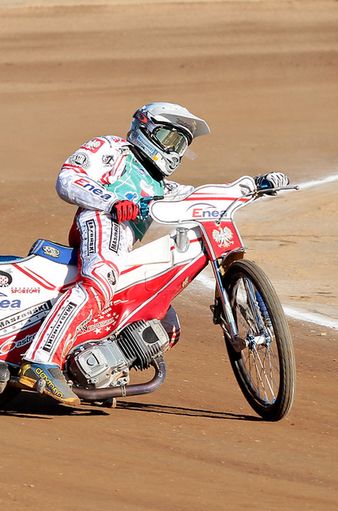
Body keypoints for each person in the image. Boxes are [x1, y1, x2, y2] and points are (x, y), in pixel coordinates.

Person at [17, 102, 290, 405]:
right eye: (169, 138)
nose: (174, 150)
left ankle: (100, 372)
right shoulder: (112, 148)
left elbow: (200, 195)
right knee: (101, 279)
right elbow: (69, 177)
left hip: (125, 240)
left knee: (166, 323)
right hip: (103, 219)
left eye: (181, 144)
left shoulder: (161, 186)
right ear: (145, 128)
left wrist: (253, 185)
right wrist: (110, 201)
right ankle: (40, 360)